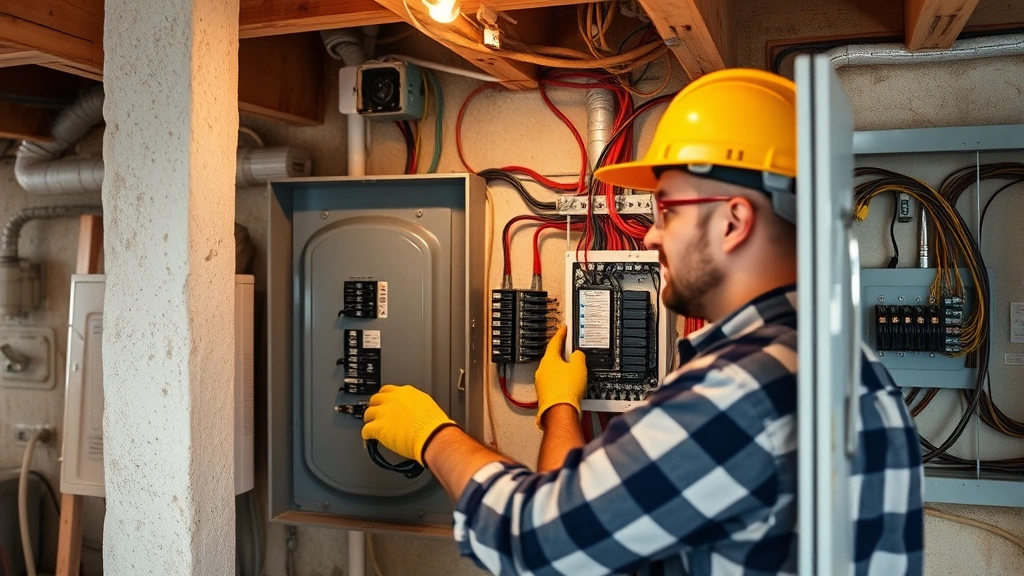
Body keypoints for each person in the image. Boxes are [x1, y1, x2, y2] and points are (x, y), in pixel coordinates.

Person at [361, 68, 923, 576]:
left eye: (669, 210)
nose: (651, 233)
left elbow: (536, 543)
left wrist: (432, 435)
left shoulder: (744, 388)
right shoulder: (856, 373)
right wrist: (561, 407)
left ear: (733, 222)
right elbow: (587, 533)